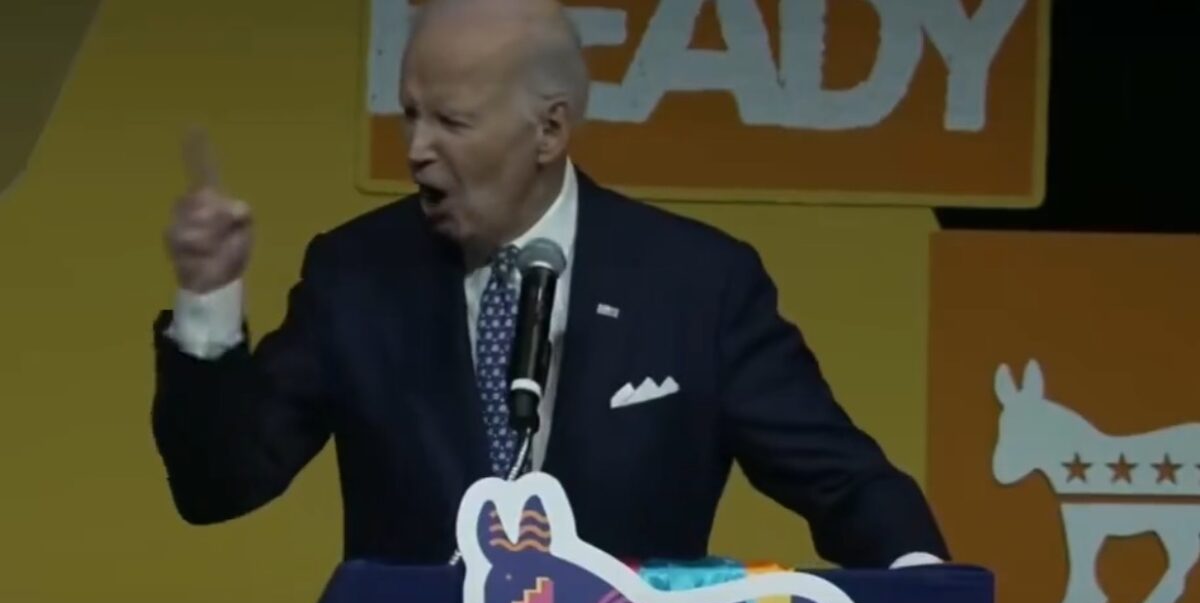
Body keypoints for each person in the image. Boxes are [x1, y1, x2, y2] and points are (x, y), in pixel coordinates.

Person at [153, 0, 949, 568]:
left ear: (550, 129)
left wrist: (924, 589)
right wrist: (208, 302)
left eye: (452, 121)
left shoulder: (696, 284)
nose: (418, 149)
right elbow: (218, 486)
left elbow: (844, 483)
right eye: (409, 115)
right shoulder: (356, 274)